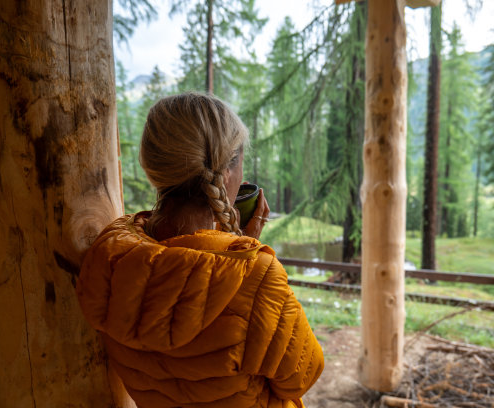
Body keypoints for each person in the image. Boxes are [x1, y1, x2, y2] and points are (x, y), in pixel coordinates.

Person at [76, 92, 324, 407]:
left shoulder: (110, 258)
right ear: (229, 172)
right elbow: (303, 376)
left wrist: (230, 245)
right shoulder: (254, 277)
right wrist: (247, 253)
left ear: (154, 167)